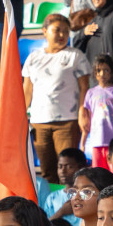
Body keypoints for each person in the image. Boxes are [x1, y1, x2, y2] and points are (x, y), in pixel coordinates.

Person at [23, 14, 93, 176]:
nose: (62, 35)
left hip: (67, 122)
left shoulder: (75, 56)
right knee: (48, 171)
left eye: (66, 31)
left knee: (68, 171)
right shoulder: (33, 58)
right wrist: (20, 116)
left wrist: (82, 112)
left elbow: (85, 87)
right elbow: (27, 90)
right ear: (45, 31)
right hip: (39, 123)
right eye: (57, 30)